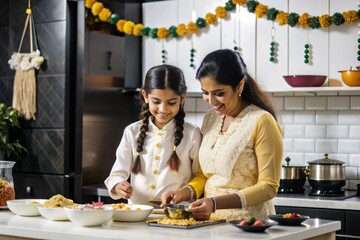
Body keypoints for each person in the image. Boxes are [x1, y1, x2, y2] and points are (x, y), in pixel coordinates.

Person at [161, 49, 283, 221]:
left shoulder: (262, 121)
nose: (211, 102)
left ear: (239, 86)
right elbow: (205, 174)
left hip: (249, 225)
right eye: (205, 92)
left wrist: (215, 203)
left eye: (219, 93)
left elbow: (268, 187)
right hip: (209, 222)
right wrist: (184, 192)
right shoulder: (211, 119)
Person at [105, 64, 202, 205]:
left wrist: (184, 193)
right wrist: (118, 185)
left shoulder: (192, 134)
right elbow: (117, 173)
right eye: (156, 101)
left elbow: (199, 177)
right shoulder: (132, 132)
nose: (163, 109)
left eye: (171, 102)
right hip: (137, 214)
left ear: (183, 97)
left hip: (176, 214)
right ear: (145, 96)